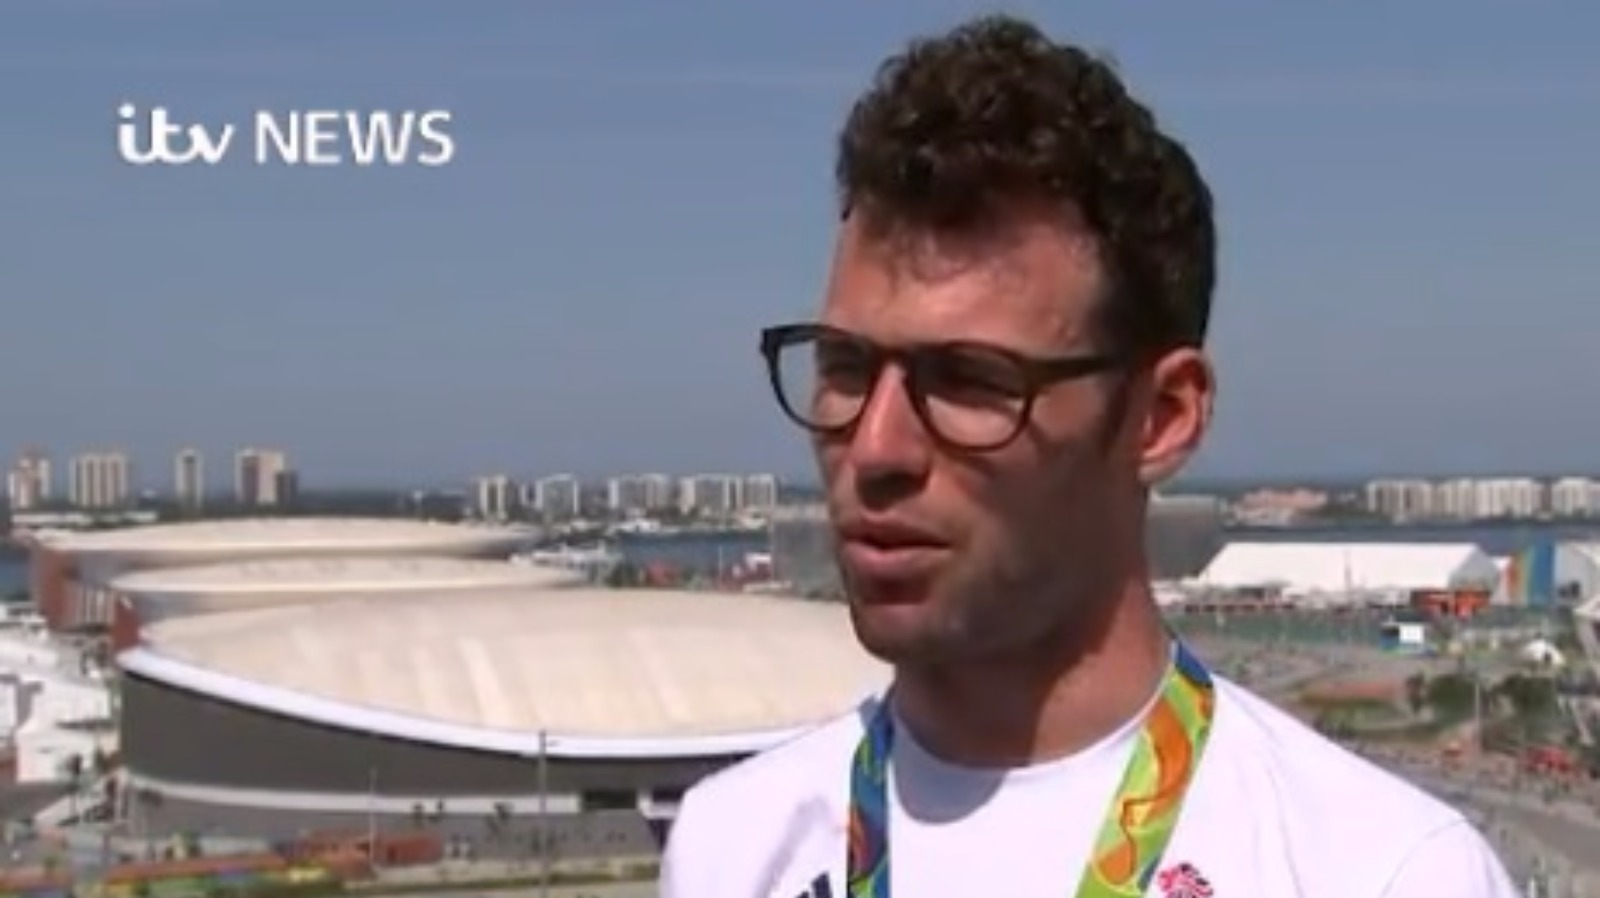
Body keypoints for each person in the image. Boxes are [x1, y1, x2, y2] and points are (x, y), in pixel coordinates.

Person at [661, 13, 1520, 898]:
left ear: (1161, 419)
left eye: (969, 380)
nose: (876, 448)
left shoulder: (1381, 871)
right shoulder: (734, 846)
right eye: (845, 367)